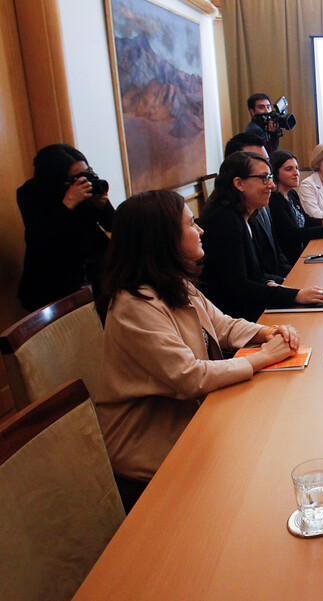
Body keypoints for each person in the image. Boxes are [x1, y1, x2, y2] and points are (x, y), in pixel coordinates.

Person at [95, 190, 301, 510]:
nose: (201, 230)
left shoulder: (172, 283)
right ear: (164, 238)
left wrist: (268, 332)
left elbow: (223, 325)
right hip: (155, 451)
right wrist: (265, 357)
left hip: (195, 421)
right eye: (191, 223)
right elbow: (190, 376)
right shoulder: (133, 304)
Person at [197, 151, 323, 321]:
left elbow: (256, 275)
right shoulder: (223, 220)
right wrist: (294, 295)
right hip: (235, 319)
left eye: (270, 177)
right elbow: (237, 286)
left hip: (252, 306)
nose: (271, 185)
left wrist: (284, 287)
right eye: (264, 178)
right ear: (239, 183)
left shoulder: (246, 215)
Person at [16, 143, 115, 311]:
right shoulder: (31, 193)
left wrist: (102, 206)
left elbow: (113, 225)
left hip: (96, 271)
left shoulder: (87, 184)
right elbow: (41, 240)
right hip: (54, 278)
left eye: (86, 172)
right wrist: (68, 204)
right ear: (56, 178)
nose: (83, 180)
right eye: (75, 177)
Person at [222, 133, 293, 279]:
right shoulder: (226, 217)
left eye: (266, 161)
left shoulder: (260, 201)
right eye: (256, 159)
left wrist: (292, 277)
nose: (271, 185)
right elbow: (240, 281)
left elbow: (276, 251)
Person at [268, 150, 323, 264]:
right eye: (289, 169)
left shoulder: (291, 193)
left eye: (296, 168)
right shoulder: (274, 200)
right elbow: (292, 234)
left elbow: (305, 219)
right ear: (275, 173)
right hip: (292, 261)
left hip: (304, 252)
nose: (296, 173)